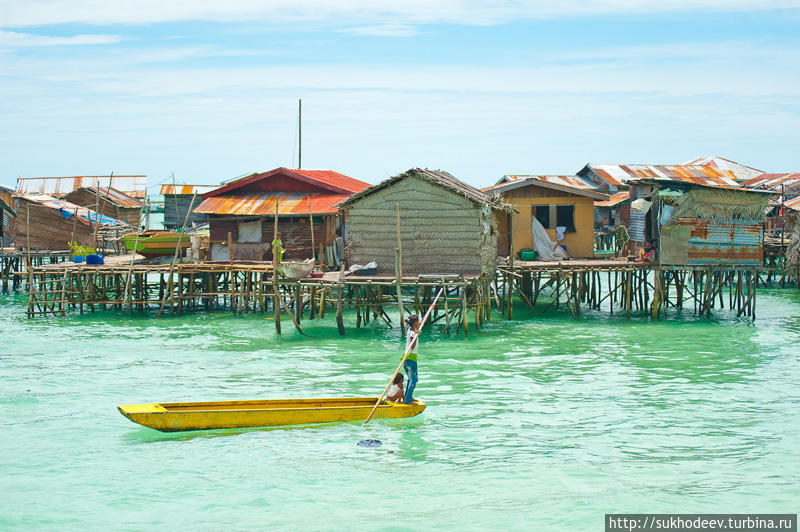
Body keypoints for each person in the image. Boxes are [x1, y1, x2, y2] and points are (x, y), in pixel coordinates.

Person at [403, 314, 420, 404]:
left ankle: (407, 397)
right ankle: (408, 400)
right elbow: (412, 346)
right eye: (418, 322)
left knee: (410, 379)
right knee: (414, 379)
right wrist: (416, 335)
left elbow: (418, 325)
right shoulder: (412, 333)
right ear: (415, 323)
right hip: (411, 359)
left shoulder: (410, 330)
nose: (419, 323)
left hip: (406, 358)